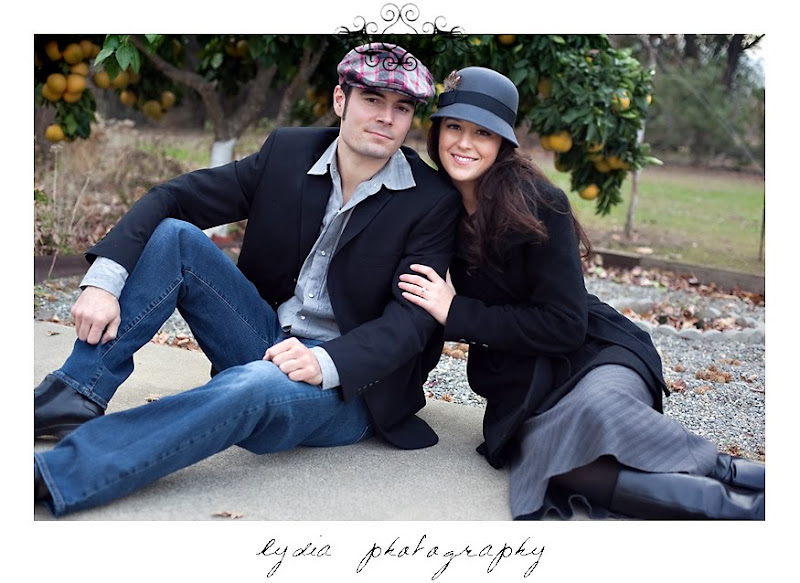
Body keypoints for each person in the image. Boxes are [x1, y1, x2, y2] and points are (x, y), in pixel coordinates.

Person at [33, 42, 461, 517]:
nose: (386, 117)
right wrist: (103, 281)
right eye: (372, 100)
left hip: (349, 388)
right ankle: (77, 390)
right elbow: (173, 198)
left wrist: (327, 361)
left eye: (401, 108)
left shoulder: (430, 200)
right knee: (175, 236)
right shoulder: (289, 151)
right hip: (264, 338)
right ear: (341, 100)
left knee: (253, 384)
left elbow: (411, 323)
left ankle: (58, 473)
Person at [398, 66, 765, 520]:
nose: (464, 144)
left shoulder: (538, 203)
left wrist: (458, 312)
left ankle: (744, 488)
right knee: (559, 467)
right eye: (453, 127)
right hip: (525, 380)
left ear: (502, 143)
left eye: (482, 132)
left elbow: (566, 325)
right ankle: (728, 506)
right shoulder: (438, 205)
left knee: (600, 412)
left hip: (591, 354)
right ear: (436, 131)